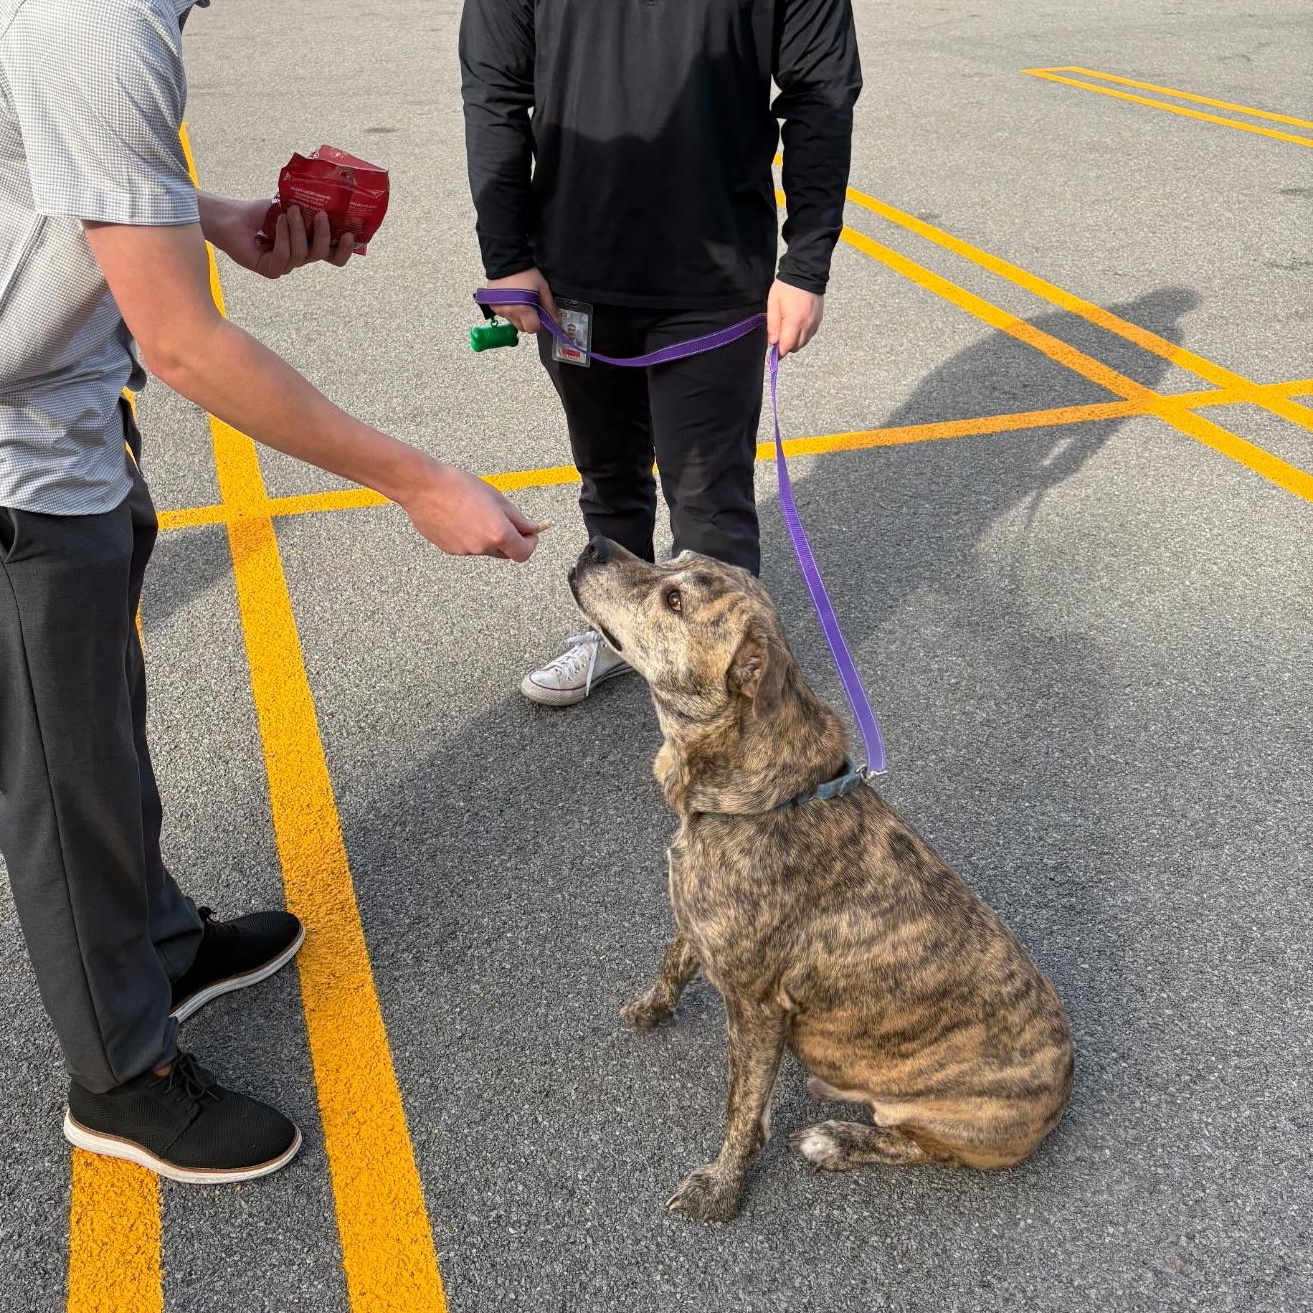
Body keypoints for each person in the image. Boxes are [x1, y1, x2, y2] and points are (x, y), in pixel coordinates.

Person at [0, 0, 540, 1184]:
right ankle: (121, 1074)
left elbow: (53, 158)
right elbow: (187, 344)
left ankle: (160, 941)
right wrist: (415, 479)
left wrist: (210, 216)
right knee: (64, 774)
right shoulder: (99, 17)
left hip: (69, 416)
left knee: (104, 731)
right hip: (19, 466)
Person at [460, 0, 861, 706]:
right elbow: (494, 89)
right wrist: (507, 257)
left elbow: (819, 91)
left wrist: (805, 264)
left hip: (712, 279)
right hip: (572, 275)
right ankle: (619, 638)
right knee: (608, 476)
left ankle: (733, 697)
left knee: (708, 500)